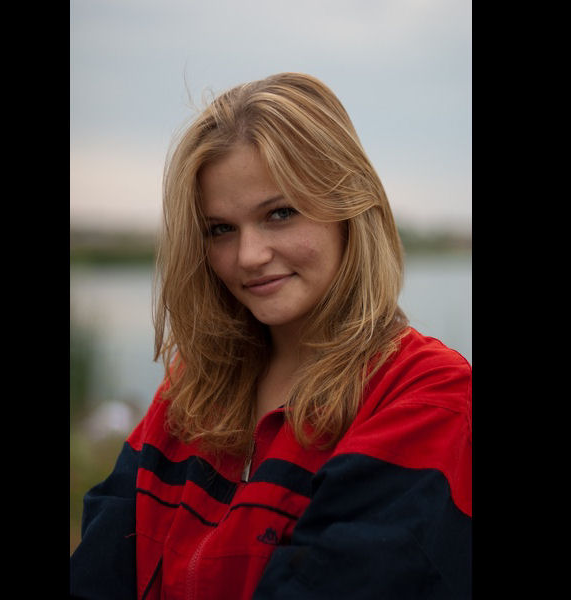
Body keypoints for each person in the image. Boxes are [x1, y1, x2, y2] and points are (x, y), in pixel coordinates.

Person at [70, 72, 472, 599]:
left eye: (279, 214)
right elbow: (98, 570)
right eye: (221, 229)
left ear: (350, 209)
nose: (248, 256)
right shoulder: (193, 388)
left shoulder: (427, 395)